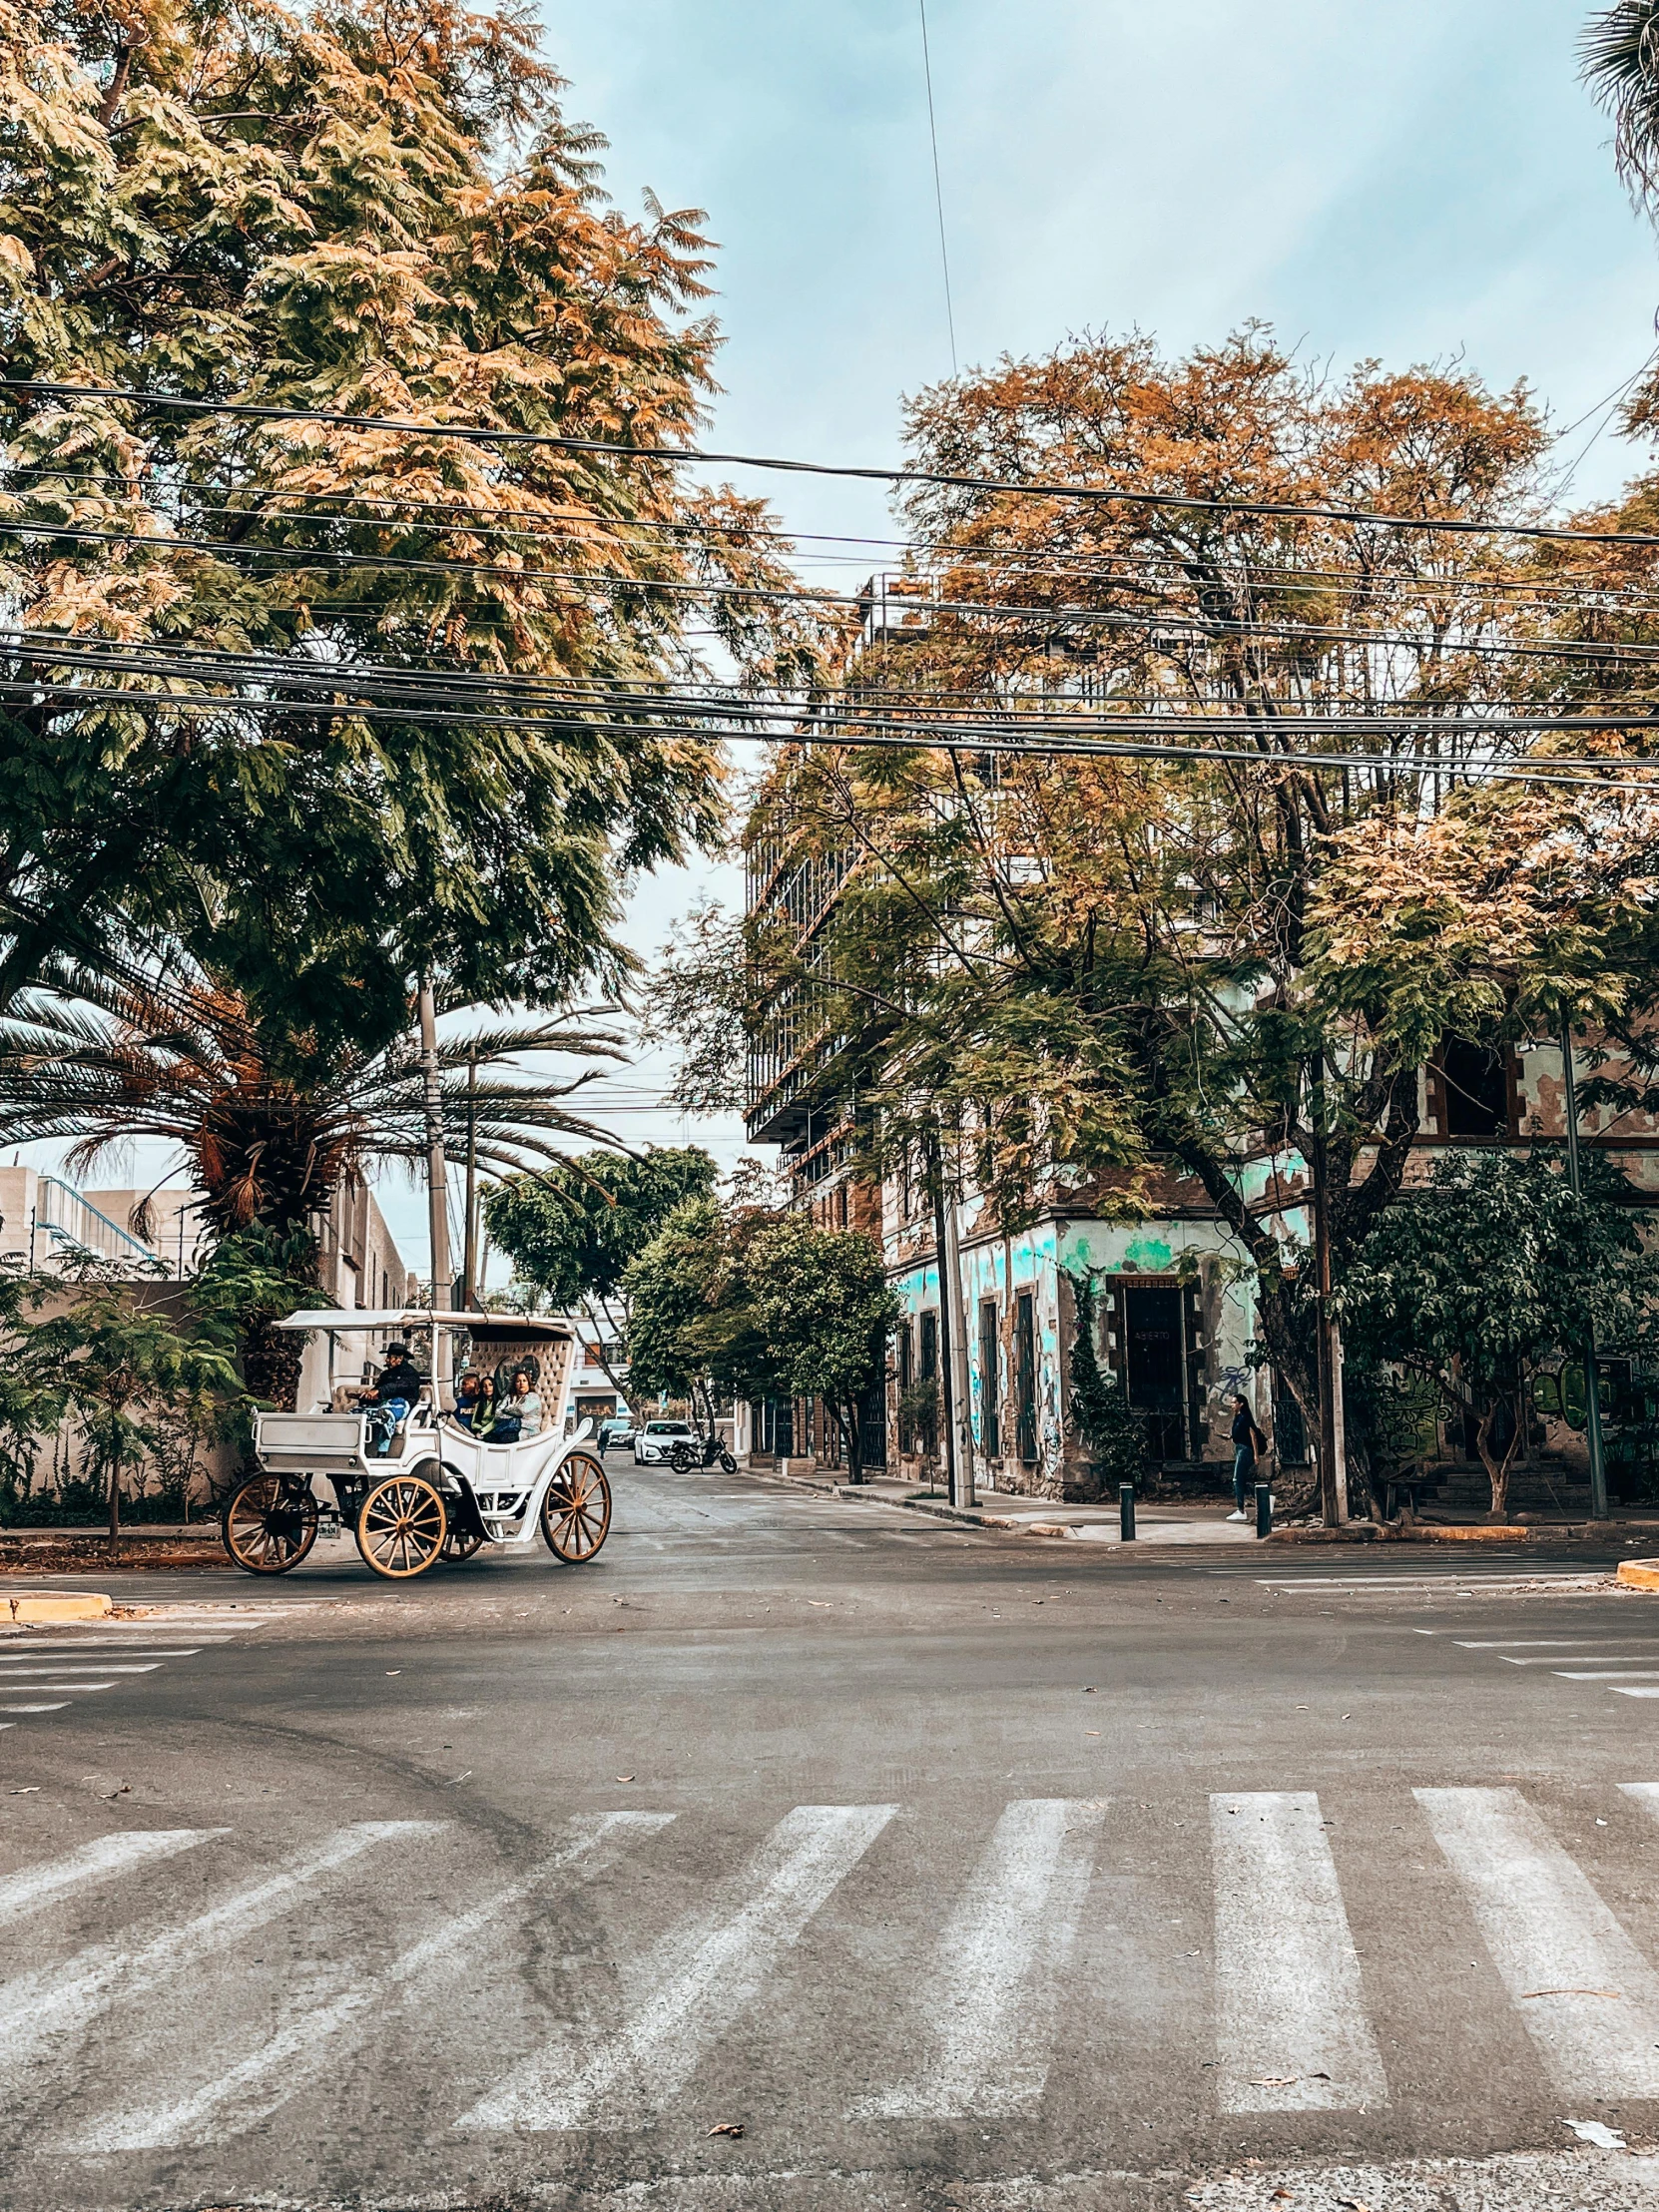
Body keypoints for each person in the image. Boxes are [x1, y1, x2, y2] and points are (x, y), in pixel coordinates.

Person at [1227, 1392, 1269, 1520]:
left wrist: (1256, 1455)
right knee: (1240, 1478)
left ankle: (1241, 1510)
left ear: (1241, 1404)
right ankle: (1249, 1504)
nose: (1232, 1405)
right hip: (1239, 1448)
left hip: (1245, 1450)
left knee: (1237, 1478)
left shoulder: (1246, 1418)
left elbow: (1253, 1436)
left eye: (1234, 1402)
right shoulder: (1238, 1417)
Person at [510, 1369, 543, 1438]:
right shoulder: (514, 1398)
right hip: (514, 1430)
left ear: (528, 1383)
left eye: (524, 1381)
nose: (521, 1383)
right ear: (515, 1384)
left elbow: (521, 1411)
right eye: (518, 1381)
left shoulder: (533, 1397)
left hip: (530, 1433)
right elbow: (499, 1414)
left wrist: (507, 1410)